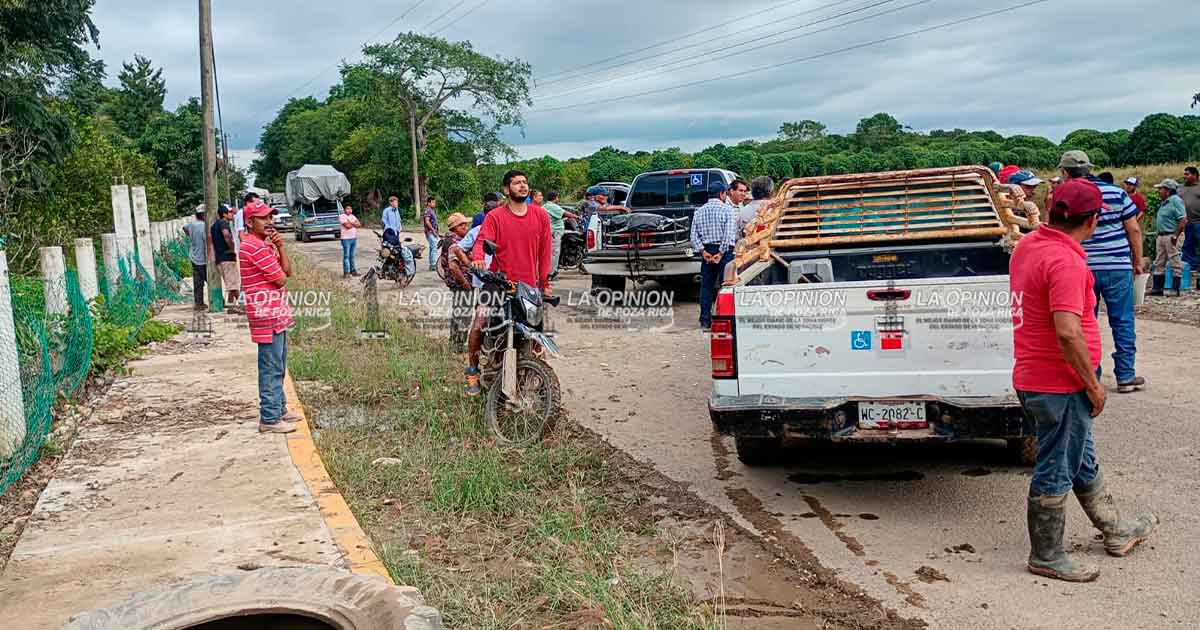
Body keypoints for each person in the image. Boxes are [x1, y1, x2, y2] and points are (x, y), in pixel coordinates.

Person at [1008, 177, 1157, 583]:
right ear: (1092, 221)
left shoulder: (1029, 246)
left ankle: (1114, 528)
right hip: (1059, 384)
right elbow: (1068, 331)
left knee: (1080, 458)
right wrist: (1093, 385)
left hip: (1033, 376)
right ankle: (1047, 554)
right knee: (1057, 465)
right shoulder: (1067, 261)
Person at [1059, 151, 1145, 393]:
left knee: (1085, 322)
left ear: (1065, 172)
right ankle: (1126, 376)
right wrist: (1137, 261)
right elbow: (1134, 230)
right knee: (1123, 321)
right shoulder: (1117, 193)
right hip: (1118, 266)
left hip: (1081, 266)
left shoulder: (1065, 195)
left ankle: (1091, 376)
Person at [463, 170, 552, 395]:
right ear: (506, 189)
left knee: (537, 334)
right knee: (480, 321)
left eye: (525, 182)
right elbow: (482, 240)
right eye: (516, 183)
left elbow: (545, 252)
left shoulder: (540, 215)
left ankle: (536, 377)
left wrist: (545, 283)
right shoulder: (495, 217)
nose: (522, 186)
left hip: (528, 286)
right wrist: (478, 258)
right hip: (499, 282)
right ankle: (472, 370)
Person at [239, 201, 300, 434]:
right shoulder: (253, 247)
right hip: (266, 315)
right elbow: (282, 279)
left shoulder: (264, 245)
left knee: (279, 365)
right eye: (263, 218)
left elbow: (288, 271)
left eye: (270, 217)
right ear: (250, 222)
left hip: (276, 314)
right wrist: (277, 256)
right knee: (270, 367)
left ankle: (280, 409)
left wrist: (281, 246)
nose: (269, 222)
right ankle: (270, 417)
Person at [690, 180, 737, 331]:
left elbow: (693, 236)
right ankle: (724, 319)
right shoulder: (727, 210)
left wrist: (703, 252)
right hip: (723, 252)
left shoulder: (699, 211)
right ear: (723, 194)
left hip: (706, 252)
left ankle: (705, 320)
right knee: (726, 286)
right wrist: (721, 253)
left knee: (706, 287)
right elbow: (729, 235)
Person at [439, 213, 474, 351]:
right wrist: (465, 283)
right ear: (454, 227)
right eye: (462, 225)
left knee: (458, 313)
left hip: (456, 283)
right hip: (460, 283)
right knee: (464, 314)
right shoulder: (455, 242)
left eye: (466, 224)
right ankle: (458, 345)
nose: (466, 227)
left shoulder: (451, 239)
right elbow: (453, 267)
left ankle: (454, 343)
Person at [1150, 179, 1188, 296]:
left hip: (1172, 235)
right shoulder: (1165, 202)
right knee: (1159, 261)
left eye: (1160, 189)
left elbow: (1183, 220)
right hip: (1162, 235)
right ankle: (1157, 289)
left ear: (1168, 190)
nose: (1159, 191)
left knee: (1175, 260)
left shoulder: (1176, 201)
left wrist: (1175, 235)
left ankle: (1175, 289)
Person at [212, 204, 243, 314]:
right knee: (233, 284)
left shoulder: (214, 225)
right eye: (230, 212)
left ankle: (231, 305)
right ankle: (240, 305)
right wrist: (232, 248)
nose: (232, 214)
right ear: (224, 214)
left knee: (231, 282)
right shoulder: (223, 223)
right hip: (227, 256)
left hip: (220, 257)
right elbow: (226, 235)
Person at [542, 190, 578, 279]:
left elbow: (557, 216)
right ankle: (551, 273)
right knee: (554, 252)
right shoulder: (553, 206)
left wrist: (563, 219)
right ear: (555, 198)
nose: (558, 199)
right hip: (554, 233)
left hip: (550, 232)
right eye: (558, 197)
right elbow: (565, 213)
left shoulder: (545, 206)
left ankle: (549, 271)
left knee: (550, 253)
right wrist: (577, 217)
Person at [1178, 166, 1200, 293]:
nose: (1184, 176)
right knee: (1187, 245)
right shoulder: (1180, 188)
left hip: (1198, 222)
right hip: (1185, 222)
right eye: (1184, 174)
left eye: (1187, 174)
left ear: (1195, 175)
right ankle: (1189, 269)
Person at [183, 210, 208, 310]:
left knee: (198, 281)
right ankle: (217, 300)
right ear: (203, 215)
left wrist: (190, 235)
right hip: (203, 257)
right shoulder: (204, 226)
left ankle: (199, 303)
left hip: (193, 256)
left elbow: (184, 228)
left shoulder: (192, 225)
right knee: (210, 279)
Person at [339, 203, 362, 278]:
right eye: (348, 208)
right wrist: (353, 224)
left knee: (352, 256)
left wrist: (351, 222)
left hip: (353, 238)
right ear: (344, 210)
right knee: (346, 256)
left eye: (350, 209)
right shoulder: (342, 216)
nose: (349, 210)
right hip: (346, 239)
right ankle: (346, 273)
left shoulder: (353, 216)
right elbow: (347, 226)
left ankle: (353, 271)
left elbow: (359, 224)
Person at [423, 196, 440, 272]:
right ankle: (433, 264)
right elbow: (427, 221)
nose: (434, 204)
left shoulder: (432, 210)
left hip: (433, 232)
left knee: (432, 247)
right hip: (430, 232)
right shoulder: (427, 211)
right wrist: (433, 231)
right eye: (433, 202)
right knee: (435, 246)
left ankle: (432, 264)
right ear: (429, 203)